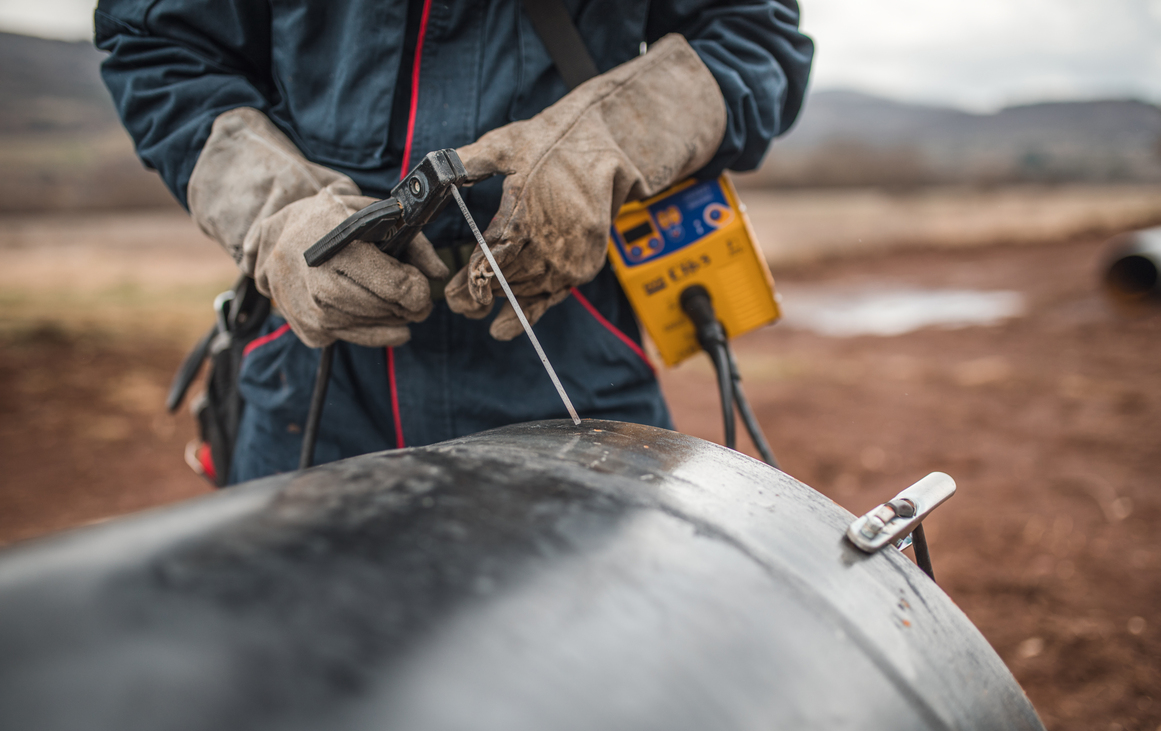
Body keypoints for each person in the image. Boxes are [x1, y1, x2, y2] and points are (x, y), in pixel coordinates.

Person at [94, 0, 813, 483]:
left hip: (572, 357)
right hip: (310, 376)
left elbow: (756, 41)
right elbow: (158, 43)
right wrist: (276, 212)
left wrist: (605, 143)